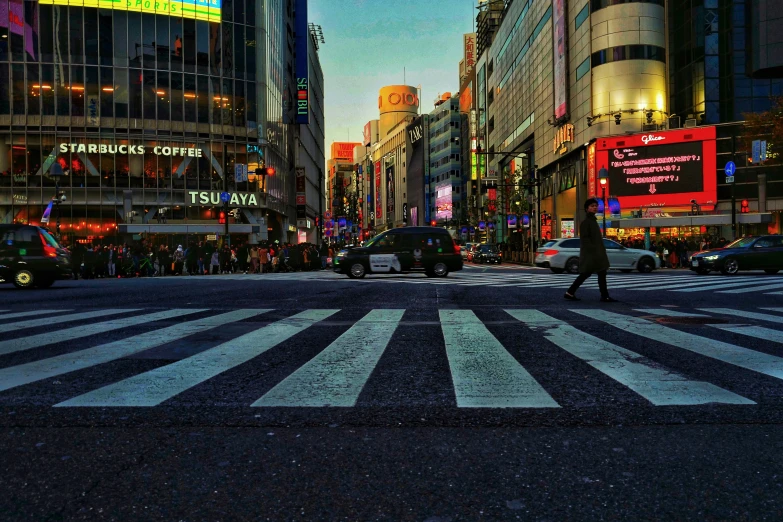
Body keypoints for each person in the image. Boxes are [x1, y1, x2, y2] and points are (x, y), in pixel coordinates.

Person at [564, 198, 617, 302]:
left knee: (596, 273)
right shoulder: (586, 222)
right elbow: (585, 239)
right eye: (592, 206)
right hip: (592, 254)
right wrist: (594, 250)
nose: (595, 207)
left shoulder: (592, 221)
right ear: (586, 208)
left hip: (595, 253)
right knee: (590, 273)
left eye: (596, 206)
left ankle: (570, 292)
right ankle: (603, 296)